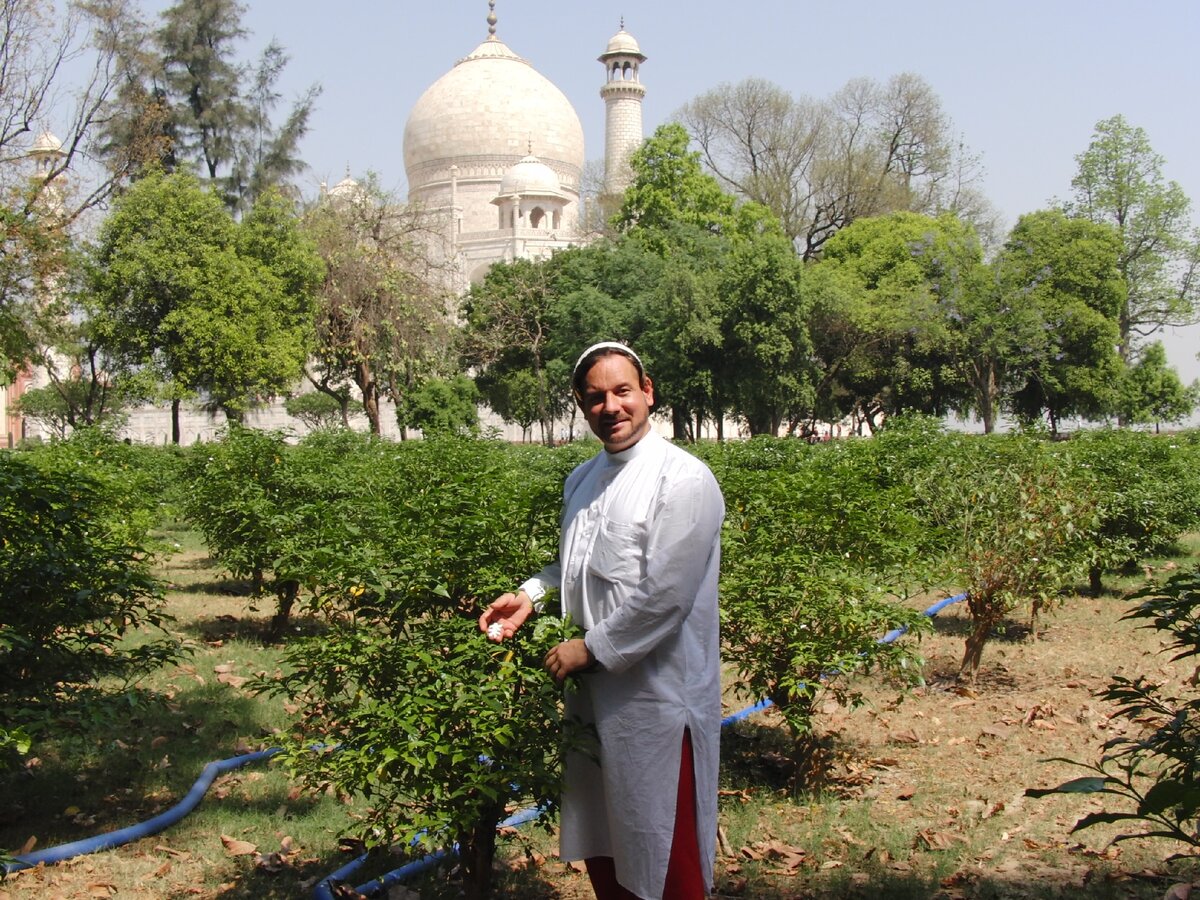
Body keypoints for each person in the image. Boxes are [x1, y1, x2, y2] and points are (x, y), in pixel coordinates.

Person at [479, 342, 725, 900]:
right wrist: (529, 595)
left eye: (622, 391)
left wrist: (589, 649)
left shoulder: (683, 480)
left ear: (647, 393)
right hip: (592, 705)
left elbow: (666, 594)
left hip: (656, 707)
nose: (611, 407)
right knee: (606, 845)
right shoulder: (582, 480)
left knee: (664, 855)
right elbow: (575, 565)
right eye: (595, 398)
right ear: (581, 405)